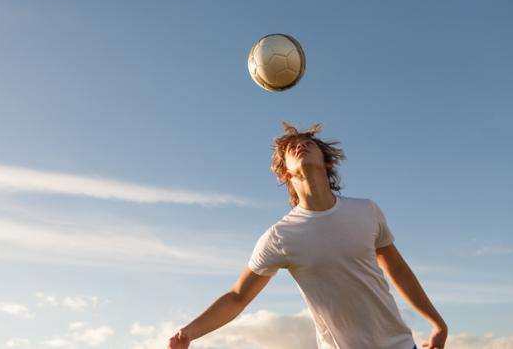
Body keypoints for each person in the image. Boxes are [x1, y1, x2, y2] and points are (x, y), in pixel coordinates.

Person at [167, 122, 448, 349]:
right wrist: (189, 333)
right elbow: (238, 296)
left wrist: (437, 323)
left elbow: (397, 268)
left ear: (326, 163)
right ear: (285, 173)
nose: (300, 145)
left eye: (309, 143)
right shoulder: (280, 236)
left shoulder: (367, 211)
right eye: (291, 148)